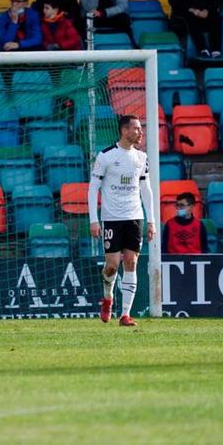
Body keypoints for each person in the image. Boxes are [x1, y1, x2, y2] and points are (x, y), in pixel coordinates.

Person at [88, 115, 156, 327]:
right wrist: (93, 220)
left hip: (135, 217)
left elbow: (146, 190)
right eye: (136, 129)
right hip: (112, 219)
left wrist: (151, 220)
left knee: (131, 262)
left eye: (140, 129)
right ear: (124, 131)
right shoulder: (106, 156)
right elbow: (93, 188)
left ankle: (125, 314)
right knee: (112, 265)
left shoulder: (142, 157)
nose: (140, 133)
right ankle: (108, 297)